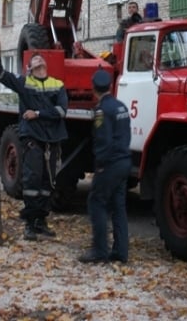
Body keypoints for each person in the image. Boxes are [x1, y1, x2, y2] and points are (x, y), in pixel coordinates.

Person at [0, 34, 68, 241]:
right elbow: (0, 75)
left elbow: (62, 111)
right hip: (33, 139)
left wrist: (38, 113)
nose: (39, 61)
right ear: (30, 68)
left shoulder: (58, 85)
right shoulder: (24, 83)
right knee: (32, 181)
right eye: (34, 61)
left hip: (52, 141)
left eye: (40, 60)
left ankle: (41, 222)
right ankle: (29, 224)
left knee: (48, 183)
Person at [78, 69, 132, 264]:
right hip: (125, 161)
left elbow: (103, 140)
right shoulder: (121, 107)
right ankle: (121, 251)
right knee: (118, 206)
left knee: (96, 202)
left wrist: (100, 165)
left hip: (110, 164)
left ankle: (99, 250)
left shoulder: (101, 110)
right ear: (110, 86)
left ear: (94, 89)